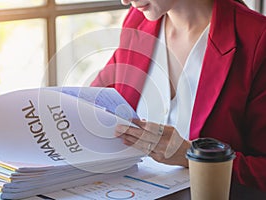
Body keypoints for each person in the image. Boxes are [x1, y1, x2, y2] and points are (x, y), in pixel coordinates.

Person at [91, 0, 266, 191]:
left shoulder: (257, 38)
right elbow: (93, 100)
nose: (125, 1)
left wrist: (191, 155)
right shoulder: (137, 21)